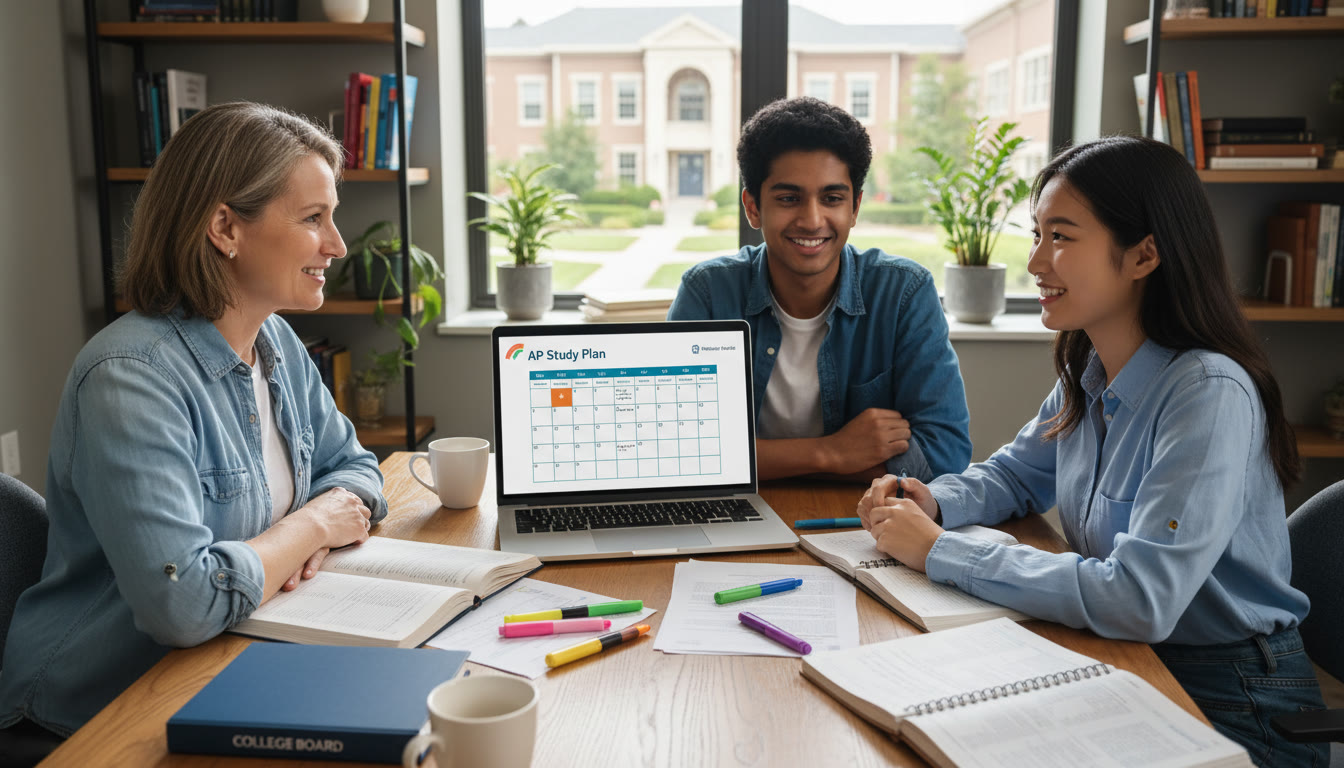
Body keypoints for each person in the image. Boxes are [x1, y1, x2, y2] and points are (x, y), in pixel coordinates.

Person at [856, 135, 1326, 766]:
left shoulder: (1207, 393)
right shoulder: (1091, 371)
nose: (1035, 263)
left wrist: (941, 551)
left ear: (1143, 255)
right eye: (1036, 235)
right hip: (1130, 658)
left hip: (1236, 699)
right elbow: (1016, 474)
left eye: (1061, 237)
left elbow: (1140, 598)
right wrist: (932, 501)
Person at [0, 102, 386, 762]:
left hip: (232, 662)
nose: (337, 245)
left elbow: (356, 471)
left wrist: (308, 530)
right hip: (98, 713)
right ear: (224, 227)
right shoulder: (130, 378)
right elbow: (182, 606)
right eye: (312, 218)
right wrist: (310, 530)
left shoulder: (276, 342)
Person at [667, 97, 971, 483]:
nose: (812, 220)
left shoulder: (903, 294)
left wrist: (751, 459)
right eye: (789, 198)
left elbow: (946, 454)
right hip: (739, 511)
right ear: (753, 206)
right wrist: (830, 453)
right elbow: (677, 449)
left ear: (855, 207)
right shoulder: (708, 293)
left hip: (864, 521)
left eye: (832, 198)